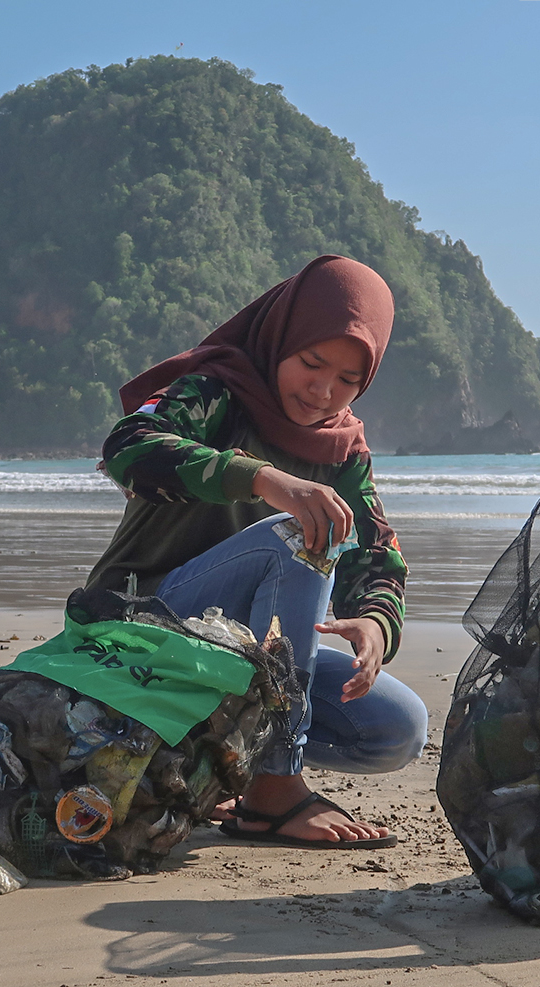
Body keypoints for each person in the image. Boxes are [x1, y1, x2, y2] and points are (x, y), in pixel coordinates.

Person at [87, 254, 427, 850]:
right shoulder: (215, 391)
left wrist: (376, 623)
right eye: (312, 363)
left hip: (246, 656)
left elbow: (378, 552)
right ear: (280, 340)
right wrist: (264, 479)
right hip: (146, 621)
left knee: (395, 729)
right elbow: (129, 446)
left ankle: (221, 773)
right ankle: (275, 786)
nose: (323, 391)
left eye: (348, 379)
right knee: (297, 534)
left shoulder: (343, 449)